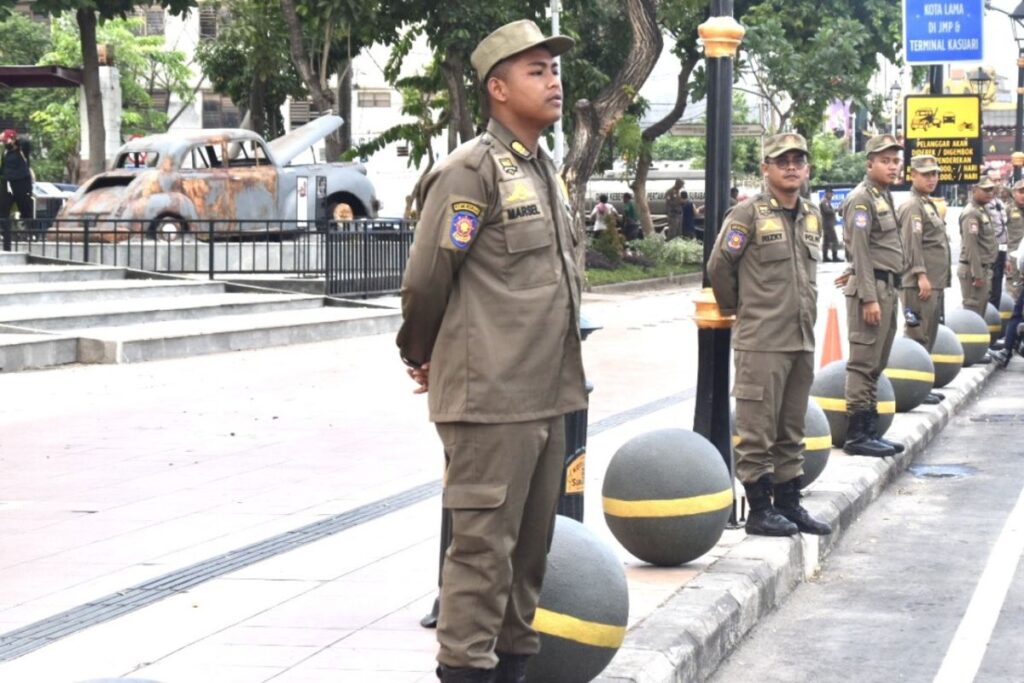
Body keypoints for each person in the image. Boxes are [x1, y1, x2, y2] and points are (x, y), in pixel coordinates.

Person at [395, 20, 585, 683]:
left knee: (526, 562)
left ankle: (510, 670)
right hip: (490, 398)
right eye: (536, 71)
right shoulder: (470, 170)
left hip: (544, 394)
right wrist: (420, 354)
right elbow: (426, 279)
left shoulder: (543, 170)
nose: (553, 80)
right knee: (481, 560)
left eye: (553, 69)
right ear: (498, 88)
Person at [708, 132, 831, 538]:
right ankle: (760, 510)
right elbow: (719, 266)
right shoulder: (748, 215)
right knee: (757, 428)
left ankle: (789, 504)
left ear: (807, 168)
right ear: (766, 169)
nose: (791, 166)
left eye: (798, 160)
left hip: (801, 338)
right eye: (782, 161)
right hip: (761, 340)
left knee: (792, 427)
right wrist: (738, 311)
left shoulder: (812, 214)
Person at [840, 134, 907, 458]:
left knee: (877, 362)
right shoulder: (862, 198)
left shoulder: (883, 195)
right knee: (863, 363)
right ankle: (857, 434)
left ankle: (870, 429)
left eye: (895, 161)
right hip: (873, 289)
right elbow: (861, 250)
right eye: (886, 160)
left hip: (887, 286)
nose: (893, 166)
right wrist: (868, 297)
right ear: (870, 163)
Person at [897, 155, 950, 405]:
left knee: (928, 333)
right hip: (919, 282)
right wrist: (920, 275)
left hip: (932, 280)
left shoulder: (927, 204)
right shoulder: (912, 207)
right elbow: (912, 244)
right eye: (926, 174)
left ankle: (922, 385)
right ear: (913, 175)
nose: (932, 178)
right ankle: (913, 385)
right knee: (917, 333)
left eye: (935, 174)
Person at [958, 178, 997, 320]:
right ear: (974, 190)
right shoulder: (971, 213)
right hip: (973, 270)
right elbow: (971, 246)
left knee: (981, 313)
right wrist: (977, 274)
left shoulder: (982, 210)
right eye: (985, 190)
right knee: (973, 315)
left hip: (984, 268)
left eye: (991, 189)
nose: (989, 193)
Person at [0, 129, 34, 236]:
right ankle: (5, 233)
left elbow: (26, 142)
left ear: (13, 140)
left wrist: (16, 139)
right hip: (8, 183)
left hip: (22, 182)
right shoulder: (5, 153)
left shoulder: (21, 150)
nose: (5, 143)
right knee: (3, 209)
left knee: (25, 207)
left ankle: (30, 233)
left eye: (7, 141)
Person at [985, 182, 1009, 309]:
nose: (998, 184)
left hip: (1001, 251)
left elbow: (1005, 231)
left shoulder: (999, 203)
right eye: (994, 181)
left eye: (999, 180)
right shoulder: (983, 206)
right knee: (989, 290)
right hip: (990, 252)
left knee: (997, 290)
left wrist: (1006, 258)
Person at [1006, 179, 1024, 301]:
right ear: (1014, 193)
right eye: (1021, 192)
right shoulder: (1007, 210)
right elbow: (999, 235)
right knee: (1014, 293)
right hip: (1013, 258)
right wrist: (1004, 258)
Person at [819, 188, 840, 262]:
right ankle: (835, 256)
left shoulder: (826, 201)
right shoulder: (824, 201)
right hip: (828, 224)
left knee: (826, 241)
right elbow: (827, 211)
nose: (832, 195)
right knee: (834, 240)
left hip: (827, 224)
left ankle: (825, 257)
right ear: (827, 193)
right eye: (831, 194)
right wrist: (835, 210)